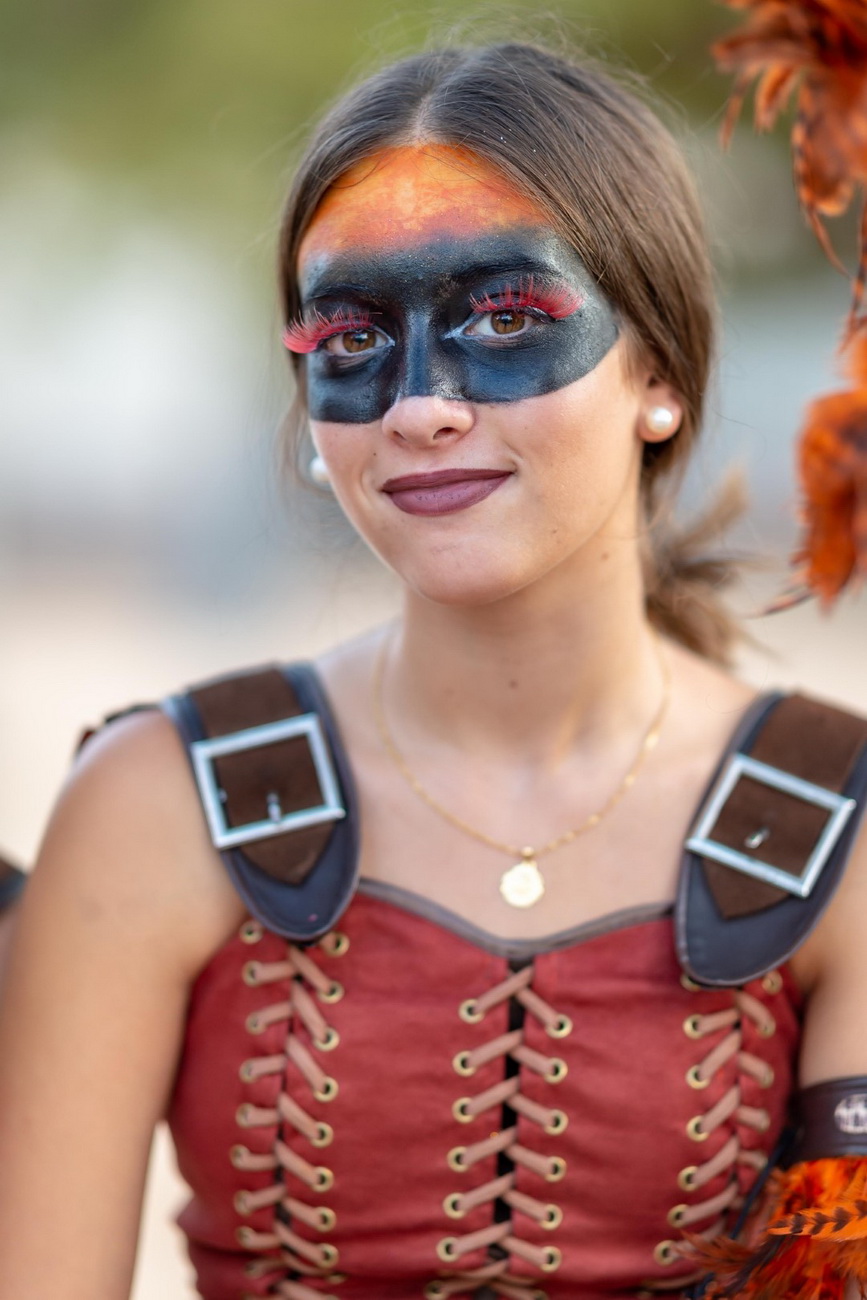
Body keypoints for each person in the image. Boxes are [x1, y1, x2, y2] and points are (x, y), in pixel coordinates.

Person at [1, 40, 866, 1300]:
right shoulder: (156, 804)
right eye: (353, 335)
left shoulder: (842, 826)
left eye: (508, 319)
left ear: (661, 373)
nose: (420, 406)